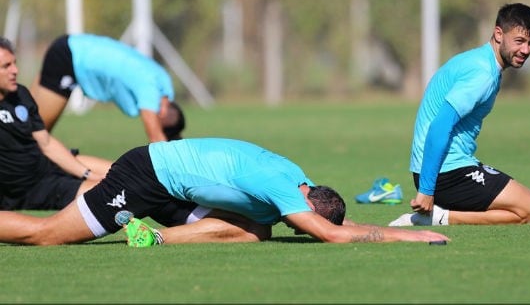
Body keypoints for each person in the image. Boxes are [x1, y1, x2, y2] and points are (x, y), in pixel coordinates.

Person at [0, 137, 450, 246]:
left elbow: (332, 224)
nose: (303, 226)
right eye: (304, 223)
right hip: (144, 174)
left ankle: (154, 237)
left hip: (174, 187)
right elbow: (334, 234)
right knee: (46, 235)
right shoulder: (285, 192)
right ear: (306, 203)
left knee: (257, 229)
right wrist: (409, 235)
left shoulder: (298, 179)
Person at [389, 3, 530, 227]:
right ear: (498, 34)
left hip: (443, 167)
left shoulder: (478, 60)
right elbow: (439, 126)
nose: (526, 50)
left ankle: (441, 214)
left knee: (528, 207)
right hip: (445, 173)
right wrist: (426, 189)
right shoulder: (482, 74)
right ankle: (437, 218)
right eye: (519, 41)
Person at [0, 37, 112, 210]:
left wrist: (87, 173)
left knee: (125, 172)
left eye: (15, 63)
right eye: (6, 66)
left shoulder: (21, 95)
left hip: (50, 165)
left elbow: (46, 143)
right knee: (112, 191)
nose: (15, 70)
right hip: (35, 189)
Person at [29, 33, 185, 143]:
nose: (156, 115)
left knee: (22, 121)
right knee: (36, 135)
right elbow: (156, 138)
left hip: (72, 45)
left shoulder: (162, 81)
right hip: (69, 57)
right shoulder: (151, 90)